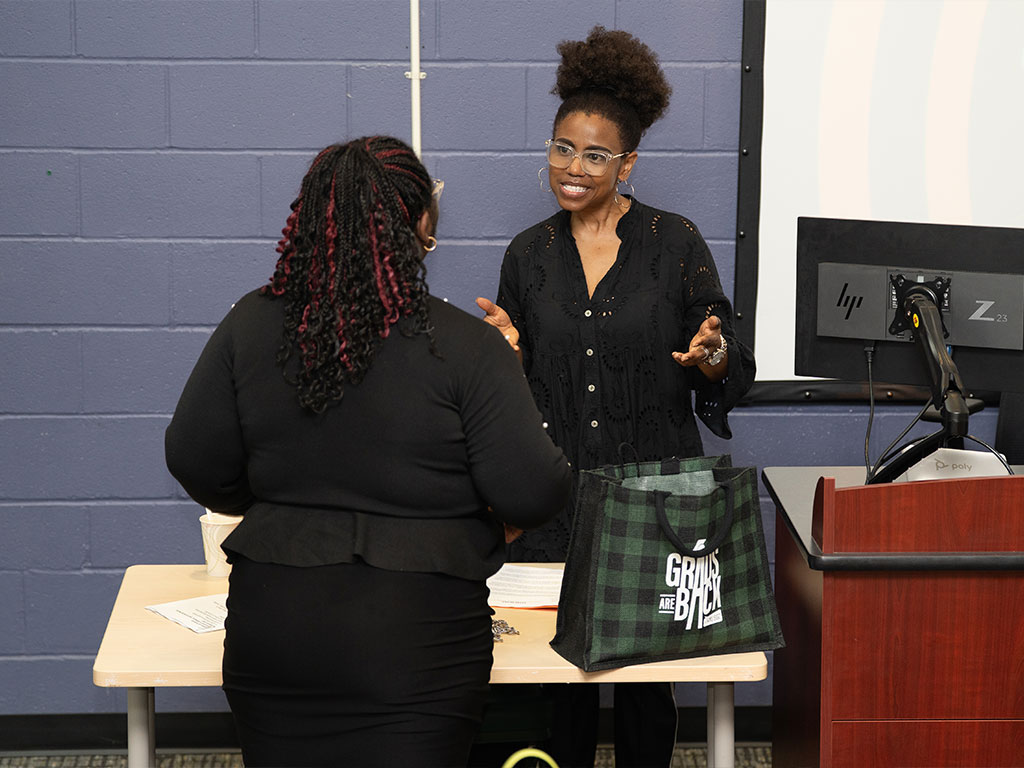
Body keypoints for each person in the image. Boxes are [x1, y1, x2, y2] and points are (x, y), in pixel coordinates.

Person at [165, 136, 571, 767]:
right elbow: (535, 490)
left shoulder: (251, 323)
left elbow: (194, 458)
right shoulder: (469, 346)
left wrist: (287, 508)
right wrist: (478, 512)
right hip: (417, 645)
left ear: (312, 221)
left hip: (275, 630)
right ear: (417, 225)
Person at [475, 27, 756, 768]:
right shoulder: (528, 256)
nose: (572, 167)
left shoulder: (675, 242)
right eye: (562, 148)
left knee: (644, 685)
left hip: (656, 500)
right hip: (554, 502)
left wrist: (712, 354)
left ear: (628, 162)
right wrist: (506, 356)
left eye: (595, 154)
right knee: (556, 683)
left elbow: (725, 352)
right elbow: (517, 386)